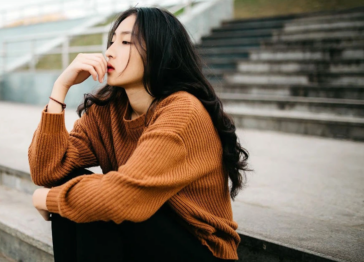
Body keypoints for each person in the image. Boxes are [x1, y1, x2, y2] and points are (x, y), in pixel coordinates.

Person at [28, 6, 251, 262]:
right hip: (144, 235)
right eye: (111, 41)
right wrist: (60, 89)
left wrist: (47, 198)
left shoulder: (183, 111)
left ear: (159, 51)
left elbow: (124, 198)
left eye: (125, 42)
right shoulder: (108, 110)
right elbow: (46, 170)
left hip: (199, 248)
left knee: (99, 202)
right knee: (80, 189)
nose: (109, 51)